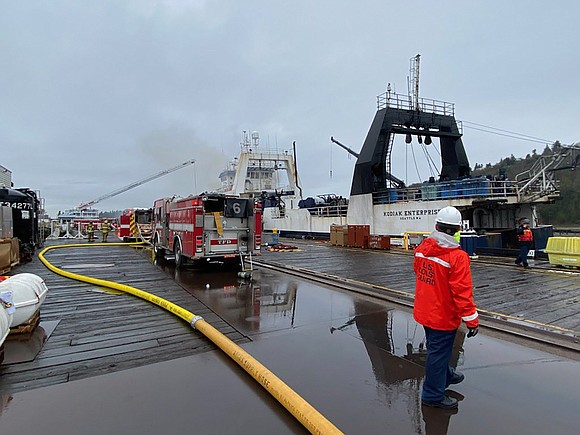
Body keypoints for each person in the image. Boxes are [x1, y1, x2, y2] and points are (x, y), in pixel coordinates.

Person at [413, 206, 479, 409]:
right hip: (442, 316)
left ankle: (447, 375)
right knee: (438, 353)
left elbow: (419, 274)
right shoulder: (457, 257)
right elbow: (462, 292)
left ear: (436, 226)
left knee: (437, 348)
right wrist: (472, 321)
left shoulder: (422, 249)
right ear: (457, 230)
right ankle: (432, 395)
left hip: (425, 311)